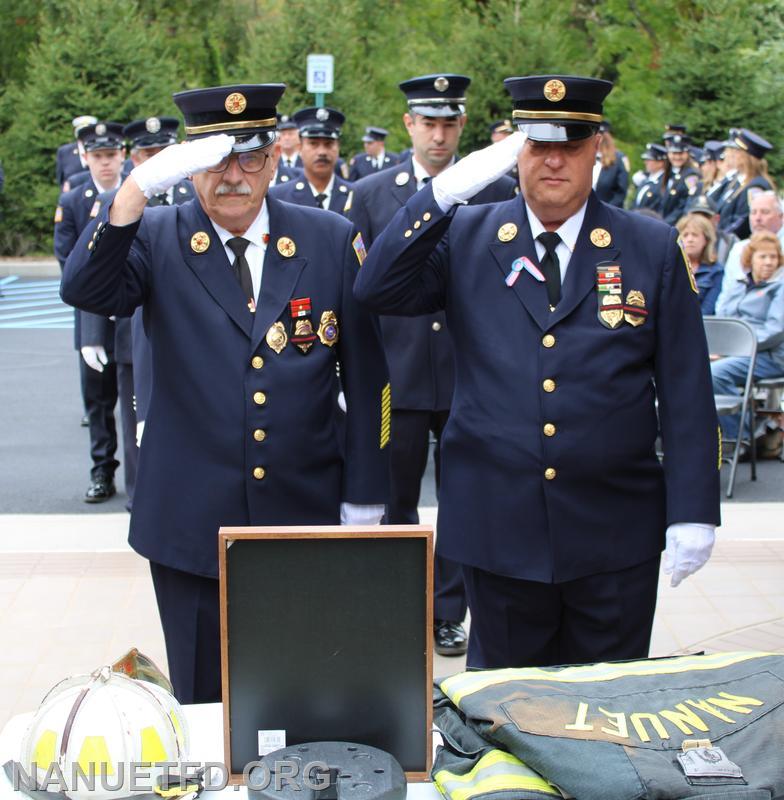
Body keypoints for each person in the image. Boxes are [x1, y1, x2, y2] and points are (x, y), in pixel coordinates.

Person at [355, 73, 721, 669]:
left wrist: (694, 509)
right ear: (515, 151)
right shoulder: (469, 232)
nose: (554, 161)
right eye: (538, 145)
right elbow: (377, 287)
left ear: (597, 149)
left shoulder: (648, 245)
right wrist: (443, 194)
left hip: (613, 527)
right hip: (497, 526)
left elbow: (685, 388)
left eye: (570, 145)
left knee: (607, 714)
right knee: (506, 714)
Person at [61, 83, 390, 703]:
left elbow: (370, 378)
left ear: (274, 159)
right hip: (189, 521)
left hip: (304, 513)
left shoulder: (328, 237)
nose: (233, 175)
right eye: (214, 158)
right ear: (188, 166)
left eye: (249, 156)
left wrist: (367, 495)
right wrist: (132, 193)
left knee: (306, 690)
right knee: (204, 700)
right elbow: (85, 289)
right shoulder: (155, 237)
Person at [348, 73, 517, 658]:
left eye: (450, 123)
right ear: (409, 125)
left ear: (462, 126)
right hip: (397, 376)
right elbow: (361, 289)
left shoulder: (496, 192)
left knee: (462, 497)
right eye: (429, 122)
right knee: (395, 499)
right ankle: (397, 604)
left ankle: (449, 610)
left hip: (469, 375)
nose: (439, 134)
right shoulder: (371, 193)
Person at [55, 121, 127, 503]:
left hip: (133, 315)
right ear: (86, 158)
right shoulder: (74, 201)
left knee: (138, 401)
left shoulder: (137, 192)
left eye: (111, 156)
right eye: (97, 156)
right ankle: (102, 470)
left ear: (122, 156)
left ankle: (141, 473)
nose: (105, 164)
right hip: (92, 318)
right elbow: (69, 262)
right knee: (98, 402)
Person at [712, 230, 784, 448]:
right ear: (750, 259)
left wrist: (731, 349)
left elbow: (775, 330)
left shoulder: (780, 287)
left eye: (773, 257)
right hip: (735, 352)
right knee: (689, 366)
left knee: (715, 373)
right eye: (763, 256)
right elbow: (722, 317)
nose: (769, 262)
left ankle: (742, 437)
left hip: (769, 355)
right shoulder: (739, 284)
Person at [268, 107, 352, 213]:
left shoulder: (355, 195)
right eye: (313, 144)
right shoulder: (277, 197)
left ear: (338, 147)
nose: (322, 152)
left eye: (328, 144)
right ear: (300, 147)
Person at [717, 190, 784, 306]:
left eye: (765, 212)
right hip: (734, 317)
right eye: (753, 213)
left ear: (781, 216)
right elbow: (726, 294)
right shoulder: (739, 248)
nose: (757, 218)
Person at [718, 128, 774, 237]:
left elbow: (743, 221)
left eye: (738, 152)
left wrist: (722, 238)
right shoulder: (737, 181)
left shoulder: (756, 186)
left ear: (747, 158)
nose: (734, 155)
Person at [675, 212, 724, 314]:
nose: (690, 239)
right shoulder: (670, 268)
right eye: (685, 235)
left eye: (695, 235)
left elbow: (708, 310)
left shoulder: (716, 271)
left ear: (706, 240)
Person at [593, 120, 628, 208]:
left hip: (606, 211)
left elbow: (621, 192)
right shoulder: (586, 155)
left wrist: (606, 210)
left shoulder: (618, 159)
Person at [56, 115, 96, 189]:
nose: (85, 136)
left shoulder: (102, 150)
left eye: (88, 132)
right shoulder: (64, 152)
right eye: (82, 132)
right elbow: (61, 180)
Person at [629, 143, 666, 212]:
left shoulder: (663, 183)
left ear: (660, 162)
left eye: (649, 160)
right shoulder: (647, 179)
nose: (645, 162)